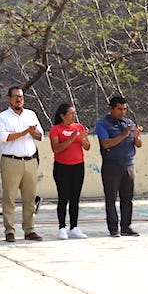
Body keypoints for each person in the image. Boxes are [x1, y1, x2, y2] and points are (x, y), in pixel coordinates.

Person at [0, 87, 44, 242]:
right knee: (9, 198)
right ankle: (9, 230)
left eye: (21, 97)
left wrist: (32, 132)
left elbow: (40, 135)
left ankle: (29, 229)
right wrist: (24, 133)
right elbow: (4, 137)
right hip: (11, 161)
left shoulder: (31, 114)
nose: (19, 100)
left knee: (29, 198)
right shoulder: (2, 117)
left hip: (30, 161)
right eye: (15, 97)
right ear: (9, 99)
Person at [95, 95, 143, 237]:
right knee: (111, 198)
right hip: (111, 166)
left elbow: (139, 144)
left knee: (127, 198)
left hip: (128, 165)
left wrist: (135, 136)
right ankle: (113, 228)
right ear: (111, 109)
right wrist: (124, 134)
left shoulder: (129, 123)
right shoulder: (103, 124)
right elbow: (106, 143)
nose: (122, 112)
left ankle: (126, 226)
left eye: (125, 109)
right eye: (119, 109)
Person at [49, 103, 91, 240]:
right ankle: (62, 227)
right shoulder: (56, 129)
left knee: (75, 198)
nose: (73, 116)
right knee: (63, 197)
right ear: (62, 115)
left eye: (74, 113)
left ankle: (74, 227)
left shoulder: (78, 127)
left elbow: (87, 147)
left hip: (78, 166)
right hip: (62, 167)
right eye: (70, 113)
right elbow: (56, 148)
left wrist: (83, 137)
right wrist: (71, 138)